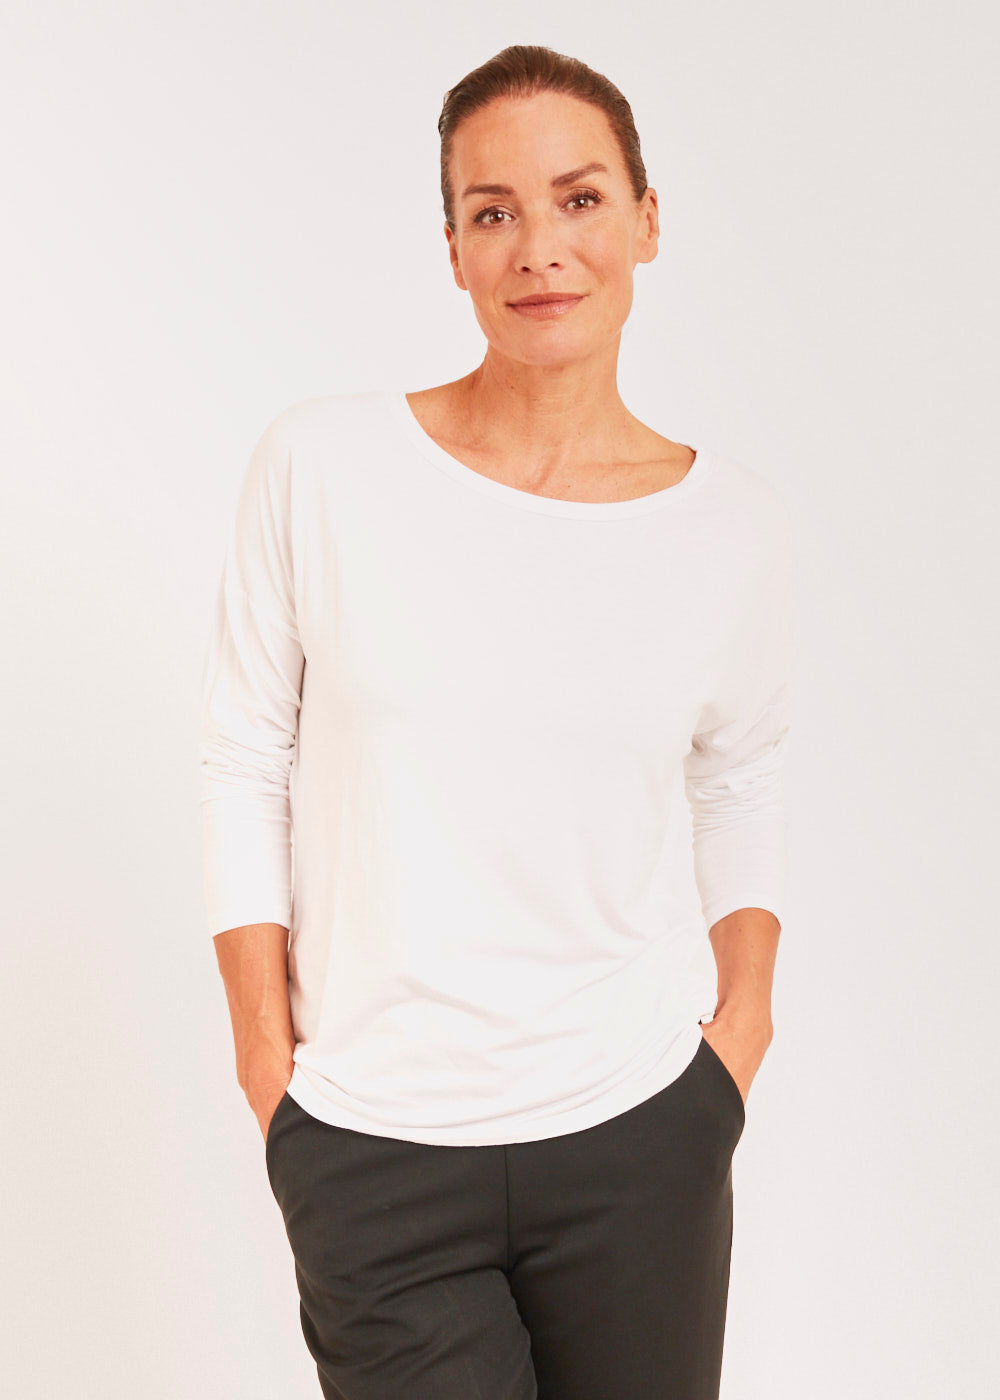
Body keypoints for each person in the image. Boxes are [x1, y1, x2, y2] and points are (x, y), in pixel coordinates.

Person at [200, 42, 797, 1400]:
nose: (541, 248)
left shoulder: (733, 529)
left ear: (646, 219)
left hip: (640, 1134)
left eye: (580, 199)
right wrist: (266, 1061)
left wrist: (743, 1030)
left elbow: (741, 775)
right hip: (377, 1145)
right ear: (456, 251)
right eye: (494, 211)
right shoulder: (321, 468)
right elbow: (243, 754)